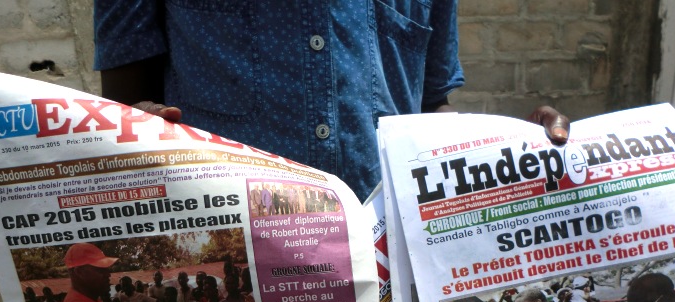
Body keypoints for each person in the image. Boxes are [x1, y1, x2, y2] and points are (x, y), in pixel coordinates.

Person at [93, 1, 569, 203]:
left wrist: (514, 150)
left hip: (383, 261)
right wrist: (139, 128)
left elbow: (428, 108)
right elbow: (126, 105)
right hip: (238, 243)